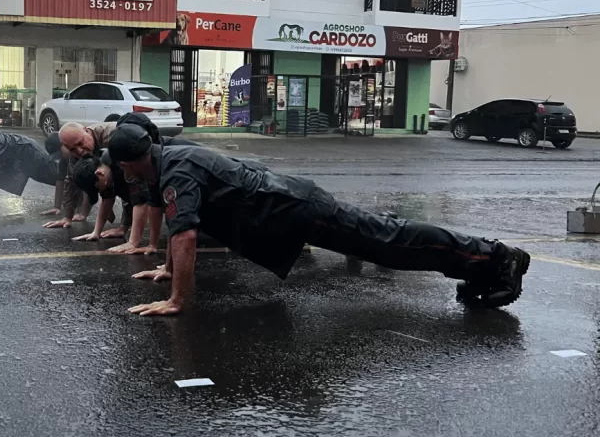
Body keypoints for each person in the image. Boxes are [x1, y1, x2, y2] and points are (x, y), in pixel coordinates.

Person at [107, 124, 531, 316]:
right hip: (291, 207)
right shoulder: (172, 160)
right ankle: (482, 265)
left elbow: (185, 234)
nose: (126, 177)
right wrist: (166, 267)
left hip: (298, 209)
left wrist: (178, 300)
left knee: (390, 242)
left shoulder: (175, 171)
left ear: (130, 163)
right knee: (386, 239)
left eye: (123, 169)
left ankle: (497, 257)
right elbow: (184, 222)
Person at [70, 153, 160, 255]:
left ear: (99, 174)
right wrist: (96, 232)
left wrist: (133, 242)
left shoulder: (125, 165)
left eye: (97, 189)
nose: (99, 192)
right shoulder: (105, 171)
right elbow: (107, 198)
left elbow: (141, 202)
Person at [43, 121, 119, 230]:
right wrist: (67, 217)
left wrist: (124, 227)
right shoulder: (75, 153)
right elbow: (71, 181)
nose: (79, 151)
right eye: (72, 149)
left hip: (143, 161)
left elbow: (131, 180)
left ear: (86, 131)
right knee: (84, 174)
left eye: (80, 143)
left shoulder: (111, 136)